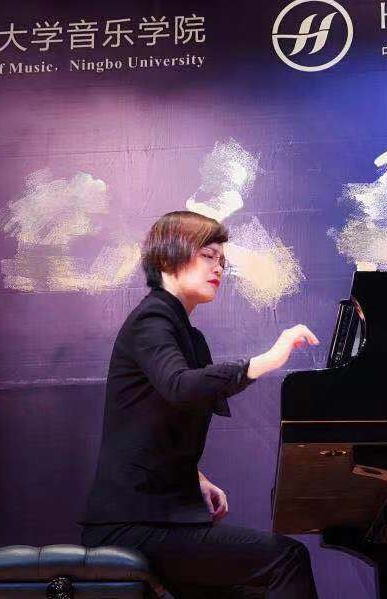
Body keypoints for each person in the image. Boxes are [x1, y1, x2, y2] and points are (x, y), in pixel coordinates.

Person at [79, 211, 320, 599]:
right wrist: (268, 360)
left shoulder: (186, 335)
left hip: (162, 519)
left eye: (222, 260)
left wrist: (196, 478)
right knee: (287, 558)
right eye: (208, 255)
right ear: (166, 258)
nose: (218, 267)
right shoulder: (151, 319)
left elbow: (156, 419)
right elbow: (180, 386)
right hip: (131, 525)